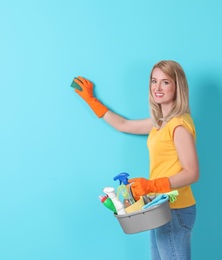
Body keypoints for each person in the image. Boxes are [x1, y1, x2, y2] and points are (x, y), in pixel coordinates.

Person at [72, 60, 199, 260]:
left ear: (177, 86)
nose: (157, 88)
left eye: (165, 82)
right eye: (154, 81)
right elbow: (124, 124)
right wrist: (92, 101)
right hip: (160, 208)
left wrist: (150, 185)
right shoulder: (161, 123)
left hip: (175, 209)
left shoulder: (179, 125)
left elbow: (192, 172)